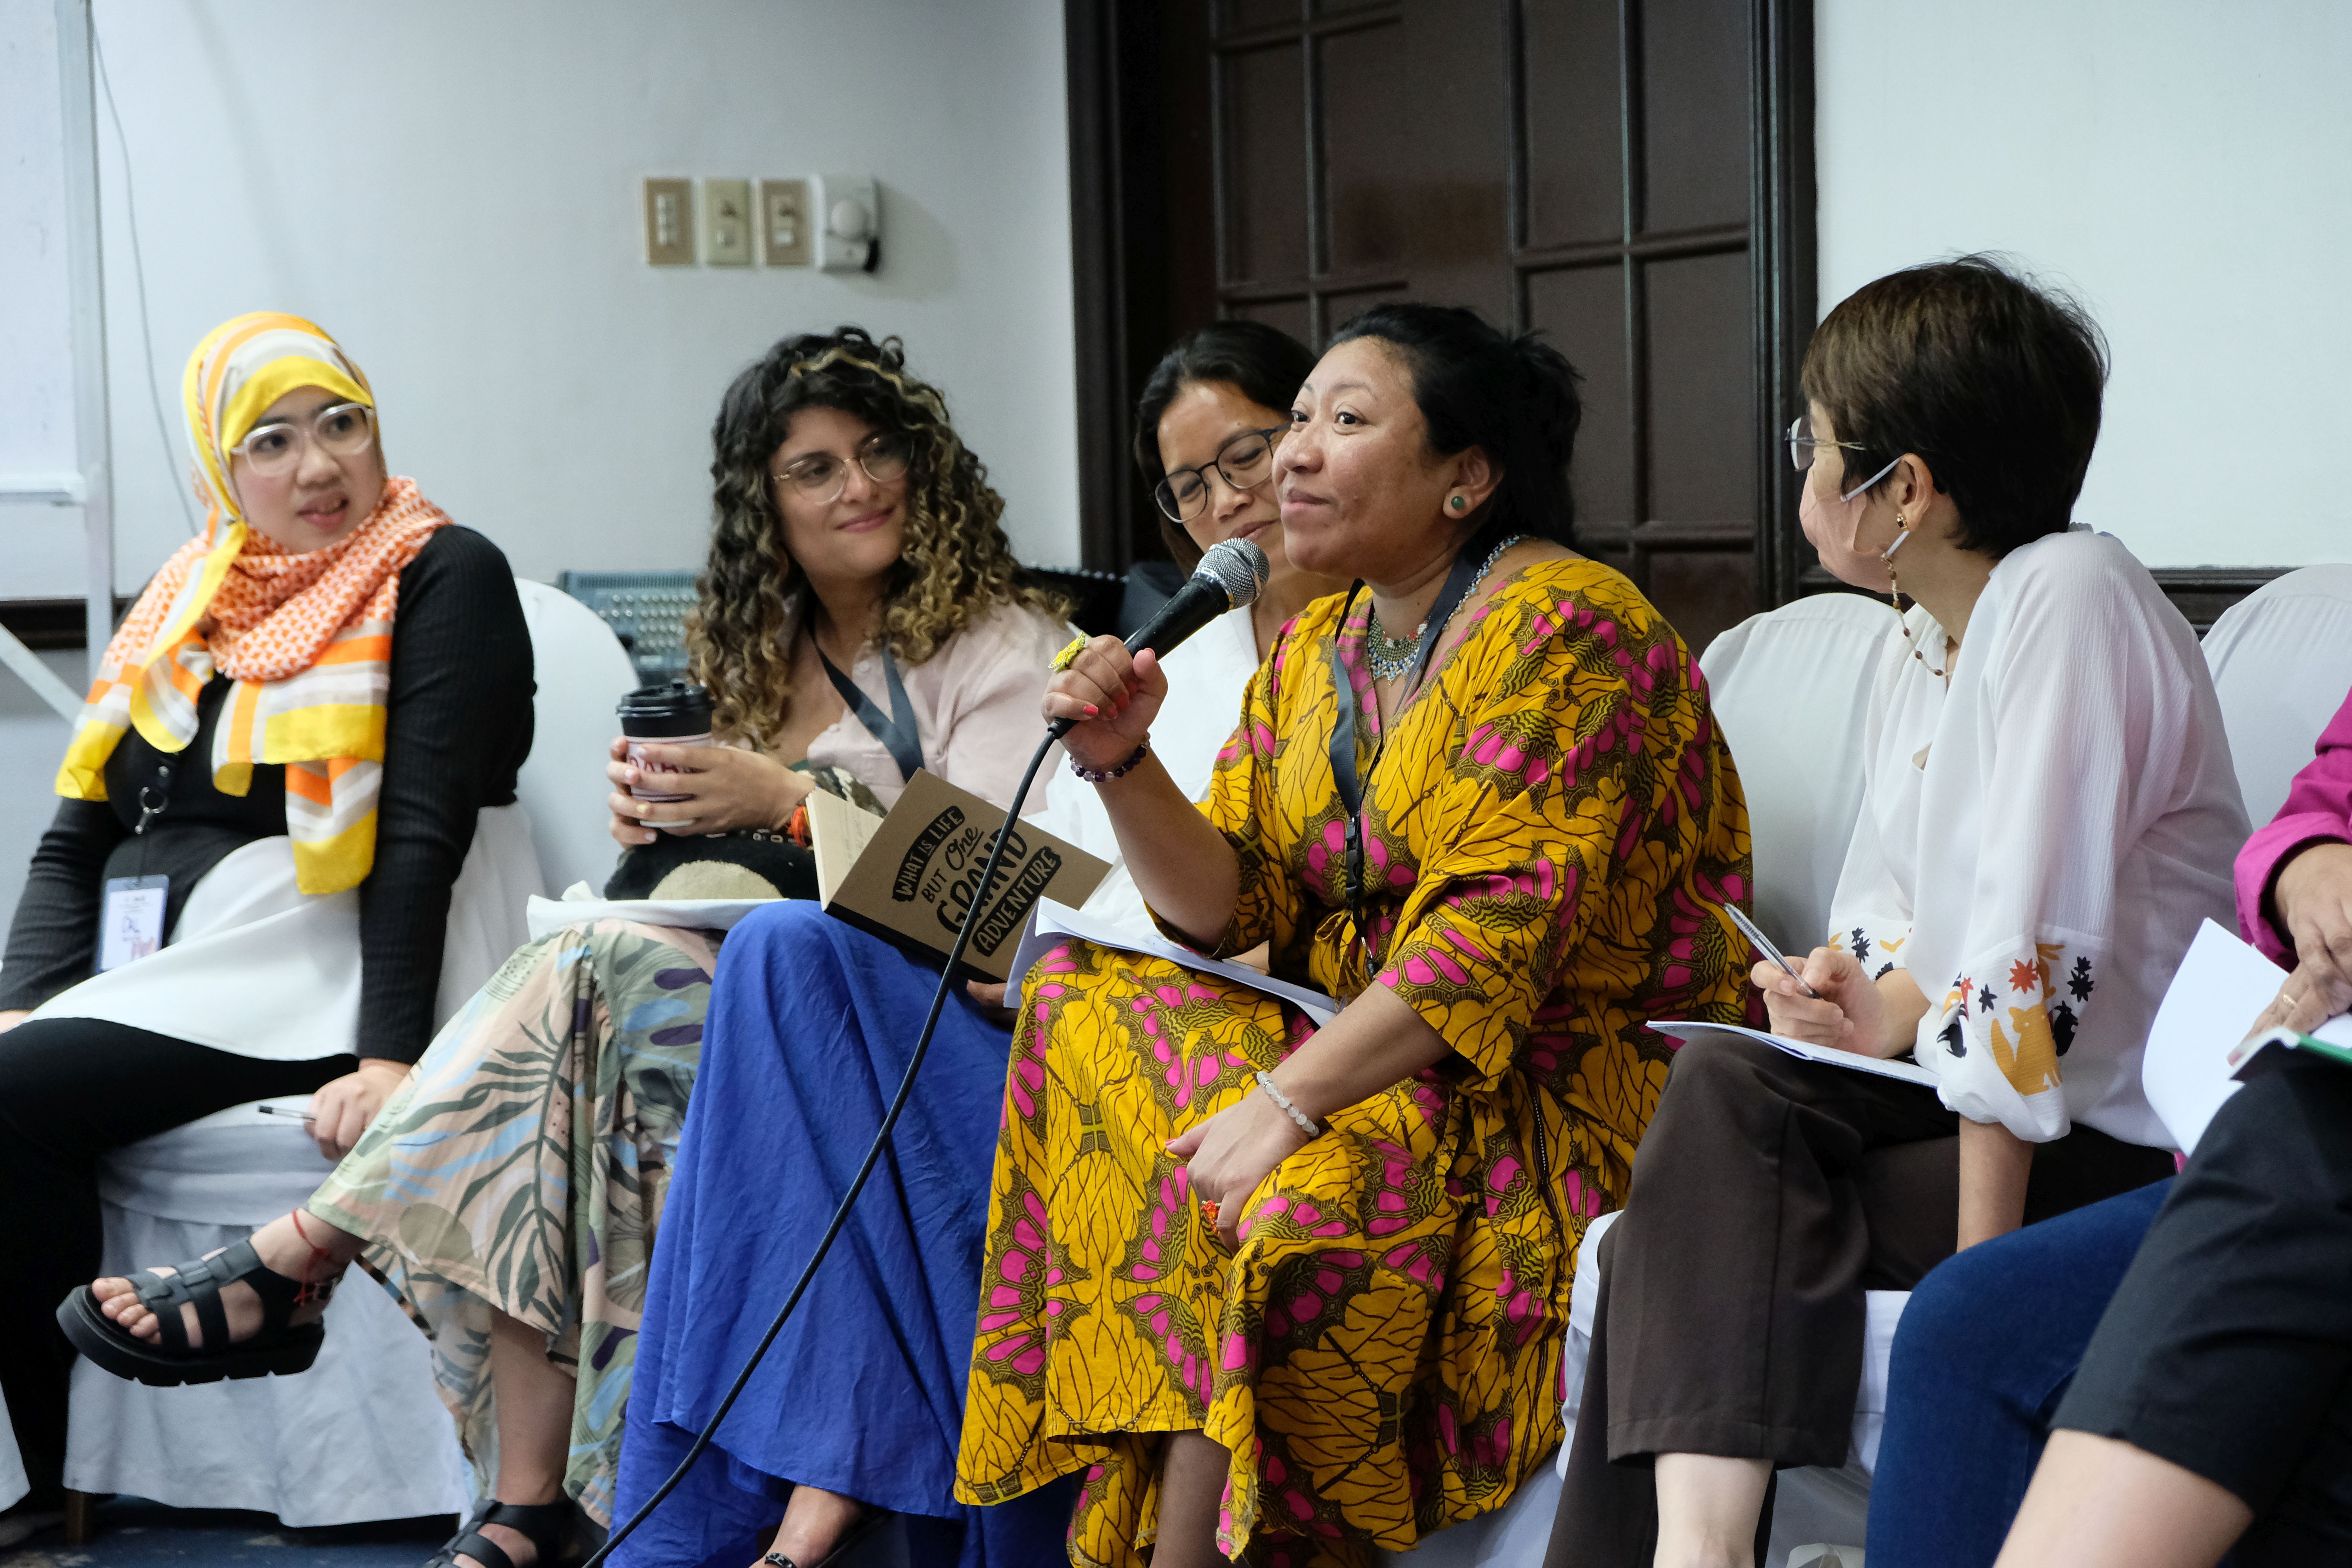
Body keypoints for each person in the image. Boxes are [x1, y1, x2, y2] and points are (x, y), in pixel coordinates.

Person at [58, 327, 1069, 1568]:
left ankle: (320, 1269)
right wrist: (661, 822)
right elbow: (730, 873)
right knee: (579, 1025)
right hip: (724, 994)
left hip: (912, 1029)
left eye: (877, 453)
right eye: (812, 469)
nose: (857, 487)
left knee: (589, 988)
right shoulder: (755, 652)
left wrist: (787, 802)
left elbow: (1013, 909)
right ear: (765, 504)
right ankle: (525, 1497)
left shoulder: (1000, 645)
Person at [955, 301, 1755, 1568]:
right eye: (1300, 425)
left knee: (1279, 1209)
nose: (1292, 460)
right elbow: (1231, 906)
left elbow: (1489, 942)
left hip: (1556, 1090)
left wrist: (1287, 1100)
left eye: (1343, 421)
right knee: (1085, 1008)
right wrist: (1125, 765)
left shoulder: (1570, 631)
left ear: (1466, 477)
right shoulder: (1328, 634)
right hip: (1370, 1056)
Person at [1541, 256, 2249, 1568]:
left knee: (1684, 1242)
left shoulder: (2069, 603)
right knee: (1726, 1094)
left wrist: (1984, 1288)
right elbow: (1921, 935)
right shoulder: (1924, 631)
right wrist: (1859, 1004)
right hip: (1988, 1095)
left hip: (2120, 1143)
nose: (1799, 465)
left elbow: (2023, 972)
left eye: (1814, 442)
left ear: (1903, 491)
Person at [605, 319, 1347, 1568]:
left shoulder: (1385, 652)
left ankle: (772, 1513)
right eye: (1193, 486)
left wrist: (792, 807)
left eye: (1256, 452)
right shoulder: (1195, 653)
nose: (1237, 500)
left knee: (791, 985)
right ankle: (729, 1517)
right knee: (781, 955)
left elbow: (1258, 916)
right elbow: (1047, 865)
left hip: (1180, 1038)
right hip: (1036, 994)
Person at [0, 312, 534, 1538]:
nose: (318, 466)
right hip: (190, 974)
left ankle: (36, 1476)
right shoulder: (193, 599)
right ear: (218, 469)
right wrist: (29, 991)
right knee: (13, 1060)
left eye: (341, 422)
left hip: (328, 961)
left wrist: (389, 1054)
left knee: (10, 1099)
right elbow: (78, 832)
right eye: (272, 441)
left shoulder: (444, 570)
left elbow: (418, 833)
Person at [1862, 681, 2352, 1568]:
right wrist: (2309, 866)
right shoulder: (1918, 656)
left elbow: (2021, 958)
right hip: (2285, 1104)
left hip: (2281, 1139)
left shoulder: (2069, 616)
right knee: (1962, 1322)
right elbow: (2322, 800)